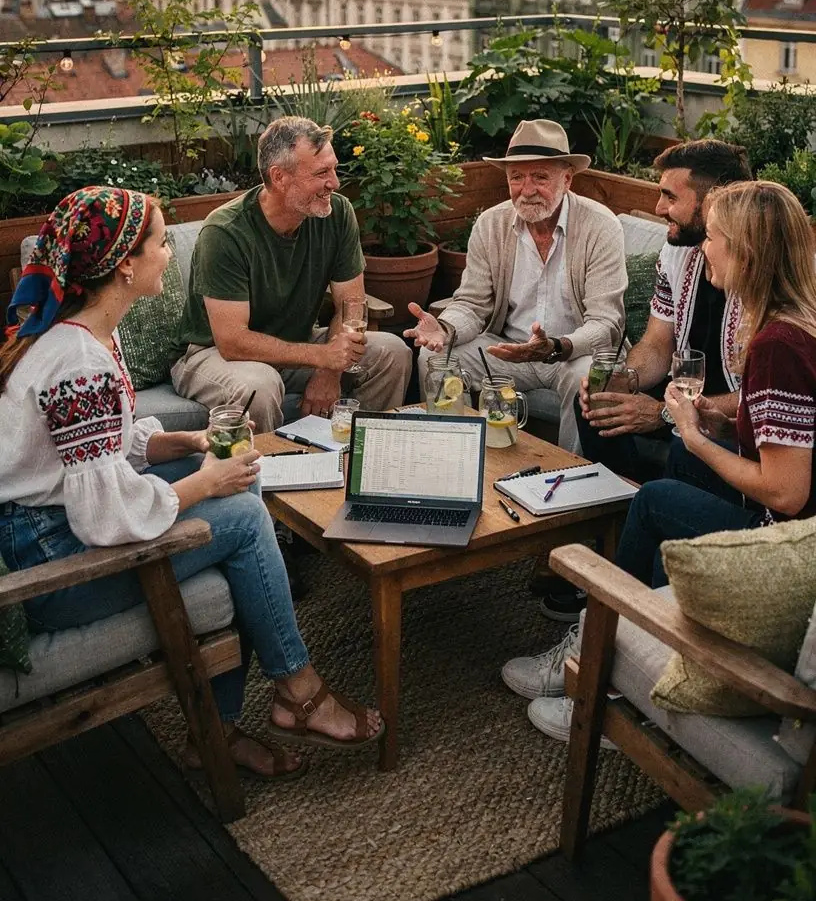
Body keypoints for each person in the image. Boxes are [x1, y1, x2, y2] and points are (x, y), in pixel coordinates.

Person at [0, 187, 382, 781]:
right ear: (124, 264)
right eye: (158, 244)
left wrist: (183, 443)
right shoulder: (78, 362)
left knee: (243, 485)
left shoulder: (89, 334)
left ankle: (223, 728)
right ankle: (299, 691)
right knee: (245, 515)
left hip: (58, 523)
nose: (168, 256)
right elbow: (105, 515)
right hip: (51, 565)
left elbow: (95, 450)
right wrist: (204, 483)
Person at [505, 178, 816, 746]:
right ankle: (642, 631)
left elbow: (788, 492)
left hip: (789, 543)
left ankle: (607, 679)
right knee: (681, 459)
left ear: (745, 251)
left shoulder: (778, 345)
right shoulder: (792, 322)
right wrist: (717, 426)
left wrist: (696, 439)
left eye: (715, 238)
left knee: (654, 499)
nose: (704, 249)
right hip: (791, 519)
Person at [539, 138, 752, 624]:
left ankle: (626, 580)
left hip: (726, 422)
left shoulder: (761, 274)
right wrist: (629, 380)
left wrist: (659, 413)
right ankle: (608, 542)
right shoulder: (679, 253)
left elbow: (766, 398)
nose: (658, 208)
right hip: (684, 396)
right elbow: (658, 343)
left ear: (715, 196)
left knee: (679, 447)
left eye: (670, 197)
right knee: (593, 401)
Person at [171, 116, 411, 431]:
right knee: (259, 384)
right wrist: (321, 357)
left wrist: (330, 372)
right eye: (322, 173)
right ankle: (270, 475)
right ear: (280, 177)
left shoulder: (337, 213)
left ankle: (356, 463)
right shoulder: (225, 232)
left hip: (298, 344)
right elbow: (232, 341)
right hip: (213, 354)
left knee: (392, 353)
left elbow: (350, 305)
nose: (335, 183)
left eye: (334, 169)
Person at [405, 119, 627, 455]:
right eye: (516, 178)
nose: (527, 189)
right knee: (436, 357)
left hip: (572, 352)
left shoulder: (600, 226)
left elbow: (606, 324)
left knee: (587, 374)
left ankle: (573, 480)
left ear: (567, 179)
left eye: (540, 177)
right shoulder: (490, 224)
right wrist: (445, 329)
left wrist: (555, 346)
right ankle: (455, 460)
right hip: (507, 350)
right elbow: (472, 304)